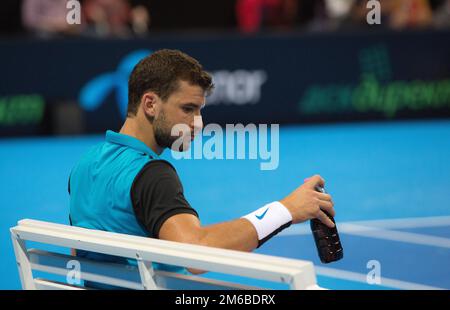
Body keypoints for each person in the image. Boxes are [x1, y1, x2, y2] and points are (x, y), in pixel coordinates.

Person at [68, 49, 335, 286]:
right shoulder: (152, 175)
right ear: (150, 104)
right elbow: (196, 253)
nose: (198, 123)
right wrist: (287, 209)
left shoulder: (85, 164)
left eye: (200, 110)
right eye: (188, 109)